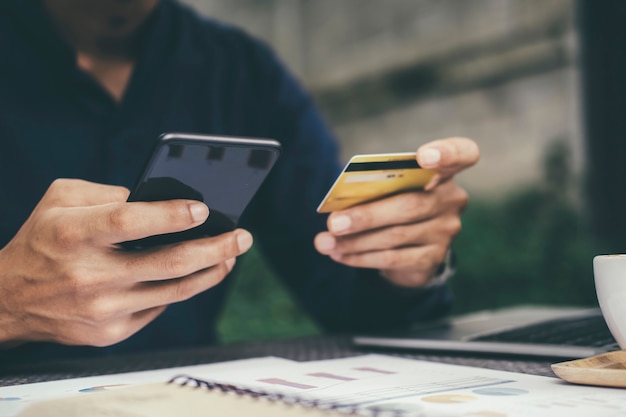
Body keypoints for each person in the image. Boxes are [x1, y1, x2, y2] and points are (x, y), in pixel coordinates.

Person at [0, 0, 479, 363]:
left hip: (186, 395)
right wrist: (8, 304)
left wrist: (405, 261)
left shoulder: (242, 71)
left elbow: (348, 297)